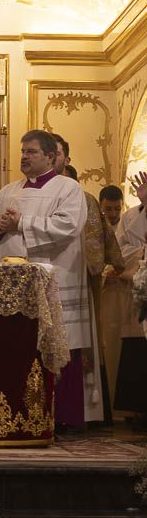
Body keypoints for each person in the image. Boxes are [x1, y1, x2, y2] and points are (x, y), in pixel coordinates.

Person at [0, 130, 92, 429]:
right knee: (16, 344)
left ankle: (61, 418)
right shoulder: (8, 191)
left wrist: (21, 223)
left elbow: (68, 226)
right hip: (13, 285)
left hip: (55, 279)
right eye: (23, 151)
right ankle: (16, 414)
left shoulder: (68, 188)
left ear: (50, 156)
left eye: (31, 151)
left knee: (57, 344)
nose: (24, 156)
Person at [53, 135, 118, 422]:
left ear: (65, 158)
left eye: (56, 154)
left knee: (76, 342)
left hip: (74, 279)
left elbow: (97, 243)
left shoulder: (84, 198)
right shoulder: (25, 192)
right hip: (44, 279)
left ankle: (75, 411)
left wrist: (93, 264)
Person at [113, 172, 147, 419]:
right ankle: (138, 409)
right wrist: (141, 254)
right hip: (138, 288)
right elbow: (119, 249)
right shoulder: (130, 216)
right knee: (137, 349)